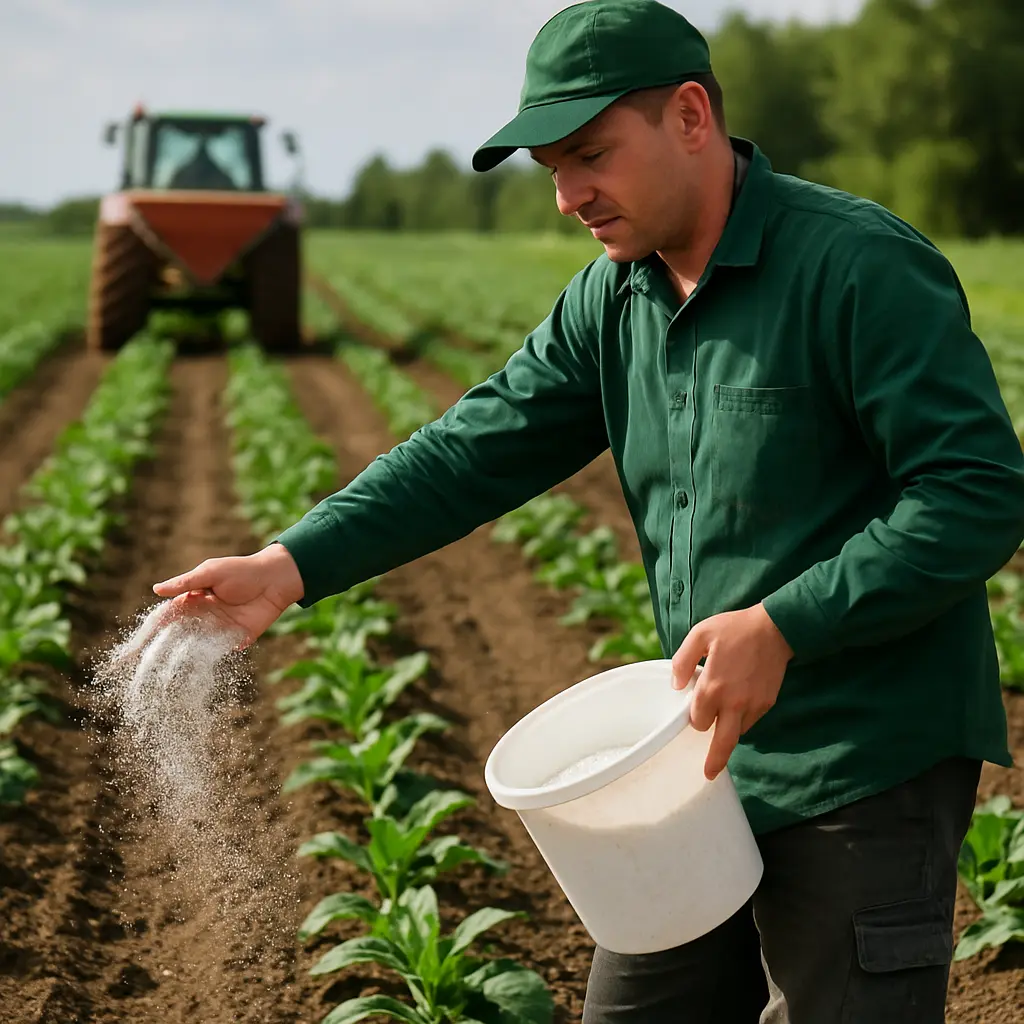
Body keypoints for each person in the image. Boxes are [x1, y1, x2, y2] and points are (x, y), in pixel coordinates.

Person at [154, 2, 1024, 1020]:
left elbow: (975, 494)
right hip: (691, 756)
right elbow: (470, 450)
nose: (568, 197)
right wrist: (287, 565)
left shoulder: (854, 267)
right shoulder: (613, 299)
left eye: (589, 155)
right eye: (551, 169)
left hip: (863, 763)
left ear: (690, 117)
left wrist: (787, 624)